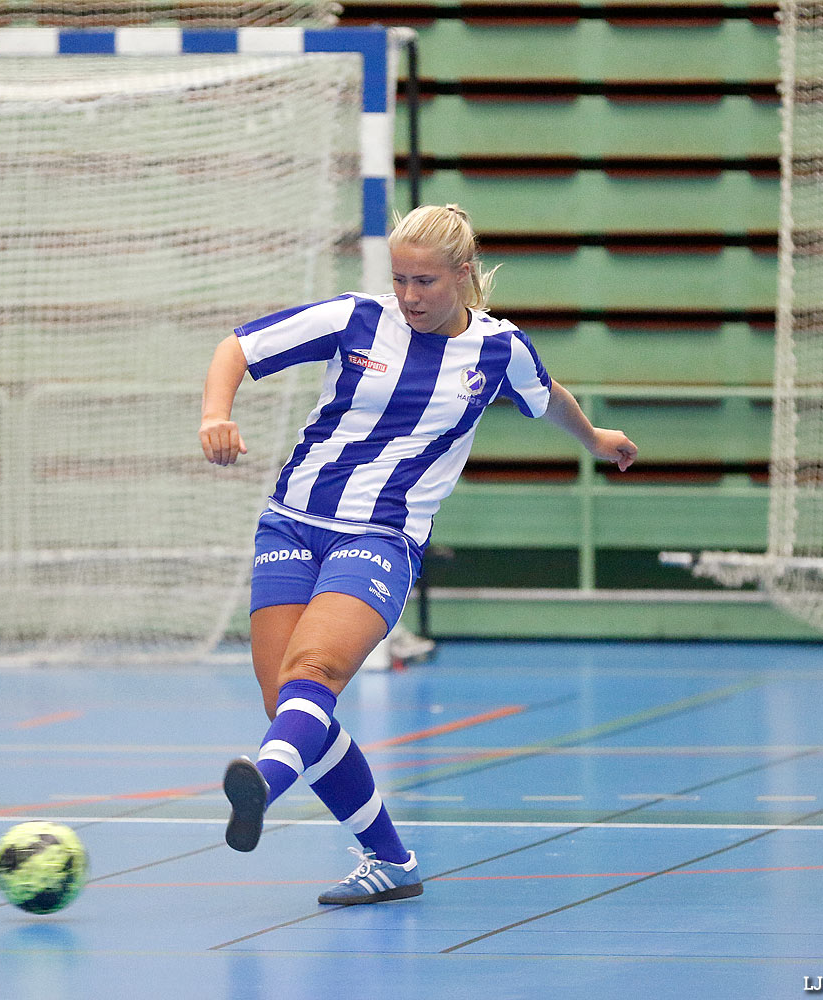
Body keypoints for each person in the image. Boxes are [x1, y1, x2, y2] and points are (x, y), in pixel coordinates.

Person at [199, 204, 636, 904]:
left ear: (463, 276)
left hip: (379, 537)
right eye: (400, 279)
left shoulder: (498, 350)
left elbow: (546, 396)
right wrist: (215, 415)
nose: (409, 296)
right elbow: (238, 350)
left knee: (315, 672)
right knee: (287, 702)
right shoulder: (355, 319)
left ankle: (262, 783)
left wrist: (593, 438)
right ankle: (391, 859)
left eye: (426, 282)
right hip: (288, 524)